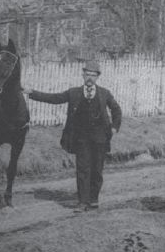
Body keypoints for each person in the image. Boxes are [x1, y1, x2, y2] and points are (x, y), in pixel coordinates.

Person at [23, 60, 122, 212]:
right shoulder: (73, 93)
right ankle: (82, 202)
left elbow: (116, 110)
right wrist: (33, 93)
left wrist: (114, 128)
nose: (90, 78)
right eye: (87, 74)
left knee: (97, 170)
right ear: (83, 75)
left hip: (100, 139)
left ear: (97, 77)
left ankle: (94, 199)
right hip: (81, 138)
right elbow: (54, 98)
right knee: (82, 169)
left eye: (93, 75)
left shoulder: (104, 93)